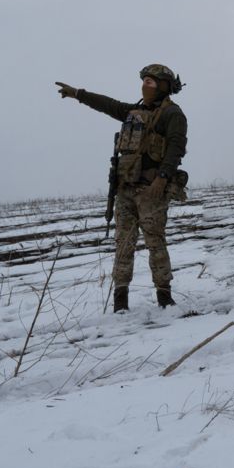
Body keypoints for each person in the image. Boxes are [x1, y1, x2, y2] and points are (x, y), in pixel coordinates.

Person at [56, 65, 187, 312]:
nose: (145, 86)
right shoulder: (132, 112)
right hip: (125, 189)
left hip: (151, 191)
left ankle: (164, 297)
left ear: (163, 86)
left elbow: (176, 148)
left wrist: (161, 179)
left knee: (155, 243)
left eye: (151, 82)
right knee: (123, 244)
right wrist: (78, 94)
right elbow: (108, 104)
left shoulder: (173, 114)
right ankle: (120, 300)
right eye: (144, 81)